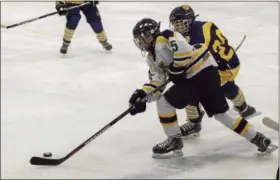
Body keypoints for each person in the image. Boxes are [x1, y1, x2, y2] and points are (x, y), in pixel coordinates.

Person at [128, 18, 272, 158]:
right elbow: (158, 82)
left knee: (164, 103)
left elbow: (184, 50)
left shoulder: (164, 38)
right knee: (222, 114)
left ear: (152, 33)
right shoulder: (150, 58)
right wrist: (143, 95)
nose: (140, 42)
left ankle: (174, 140)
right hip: (208, 77)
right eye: (138, 39)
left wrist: (177, 68)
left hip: (199, 77)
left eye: (143, 37)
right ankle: (258, 138)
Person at [168, 5, 260, 138]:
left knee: (192, 86)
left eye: (179, 24)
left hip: (224, 66)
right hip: (227, 61)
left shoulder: (195, 37)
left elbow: (193, 60)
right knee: (223, 86)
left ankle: (194, 122)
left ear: (189, 21)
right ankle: (244, 108)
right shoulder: (203, 26)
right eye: (174, 24)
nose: (176, 28)